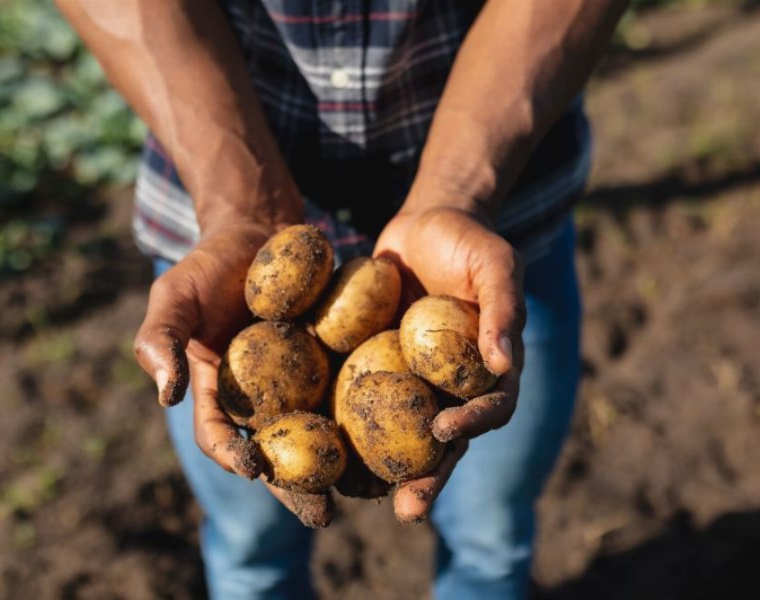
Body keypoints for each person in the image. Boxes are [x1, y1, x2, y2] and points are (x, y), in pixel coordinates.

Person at [57, 1, 628, 598]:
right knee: (249, 546)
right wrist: (239, 207)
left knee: (491, 534)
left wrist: (458, 193)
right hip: (219, 236)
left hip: (492, 239)